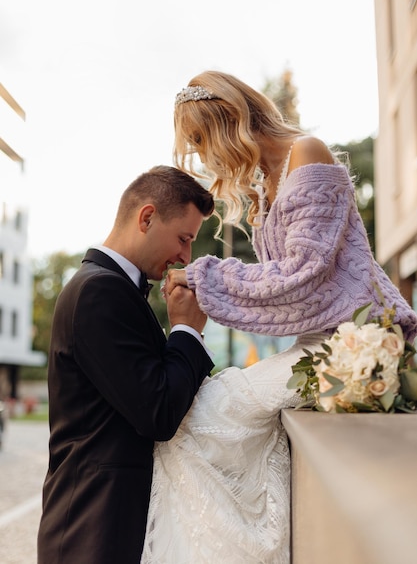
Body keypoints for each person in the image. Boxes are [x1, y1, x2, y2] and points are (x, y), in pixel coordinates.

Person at [140, 72, 417, 563]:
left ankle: (251, 548)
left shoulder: (306, 153)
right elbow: (281, 283)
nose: (205, 160)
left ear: (230, 121)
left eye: (203, 141)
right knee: (195, 416)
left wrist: (203, 275)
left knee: (196, 419)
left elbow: (303, 273)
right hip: (317, 344)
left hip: (356, 340)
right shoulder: (267, 186)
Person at [37, 165, 215, 564]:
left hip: (109, 525)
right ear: (147, 217)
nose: (186, 256)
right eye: (184, 239)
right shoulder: (100, 291)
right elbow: (158, 411)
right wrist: (186, 330)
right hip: (94, 529)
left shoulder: (111, 288)